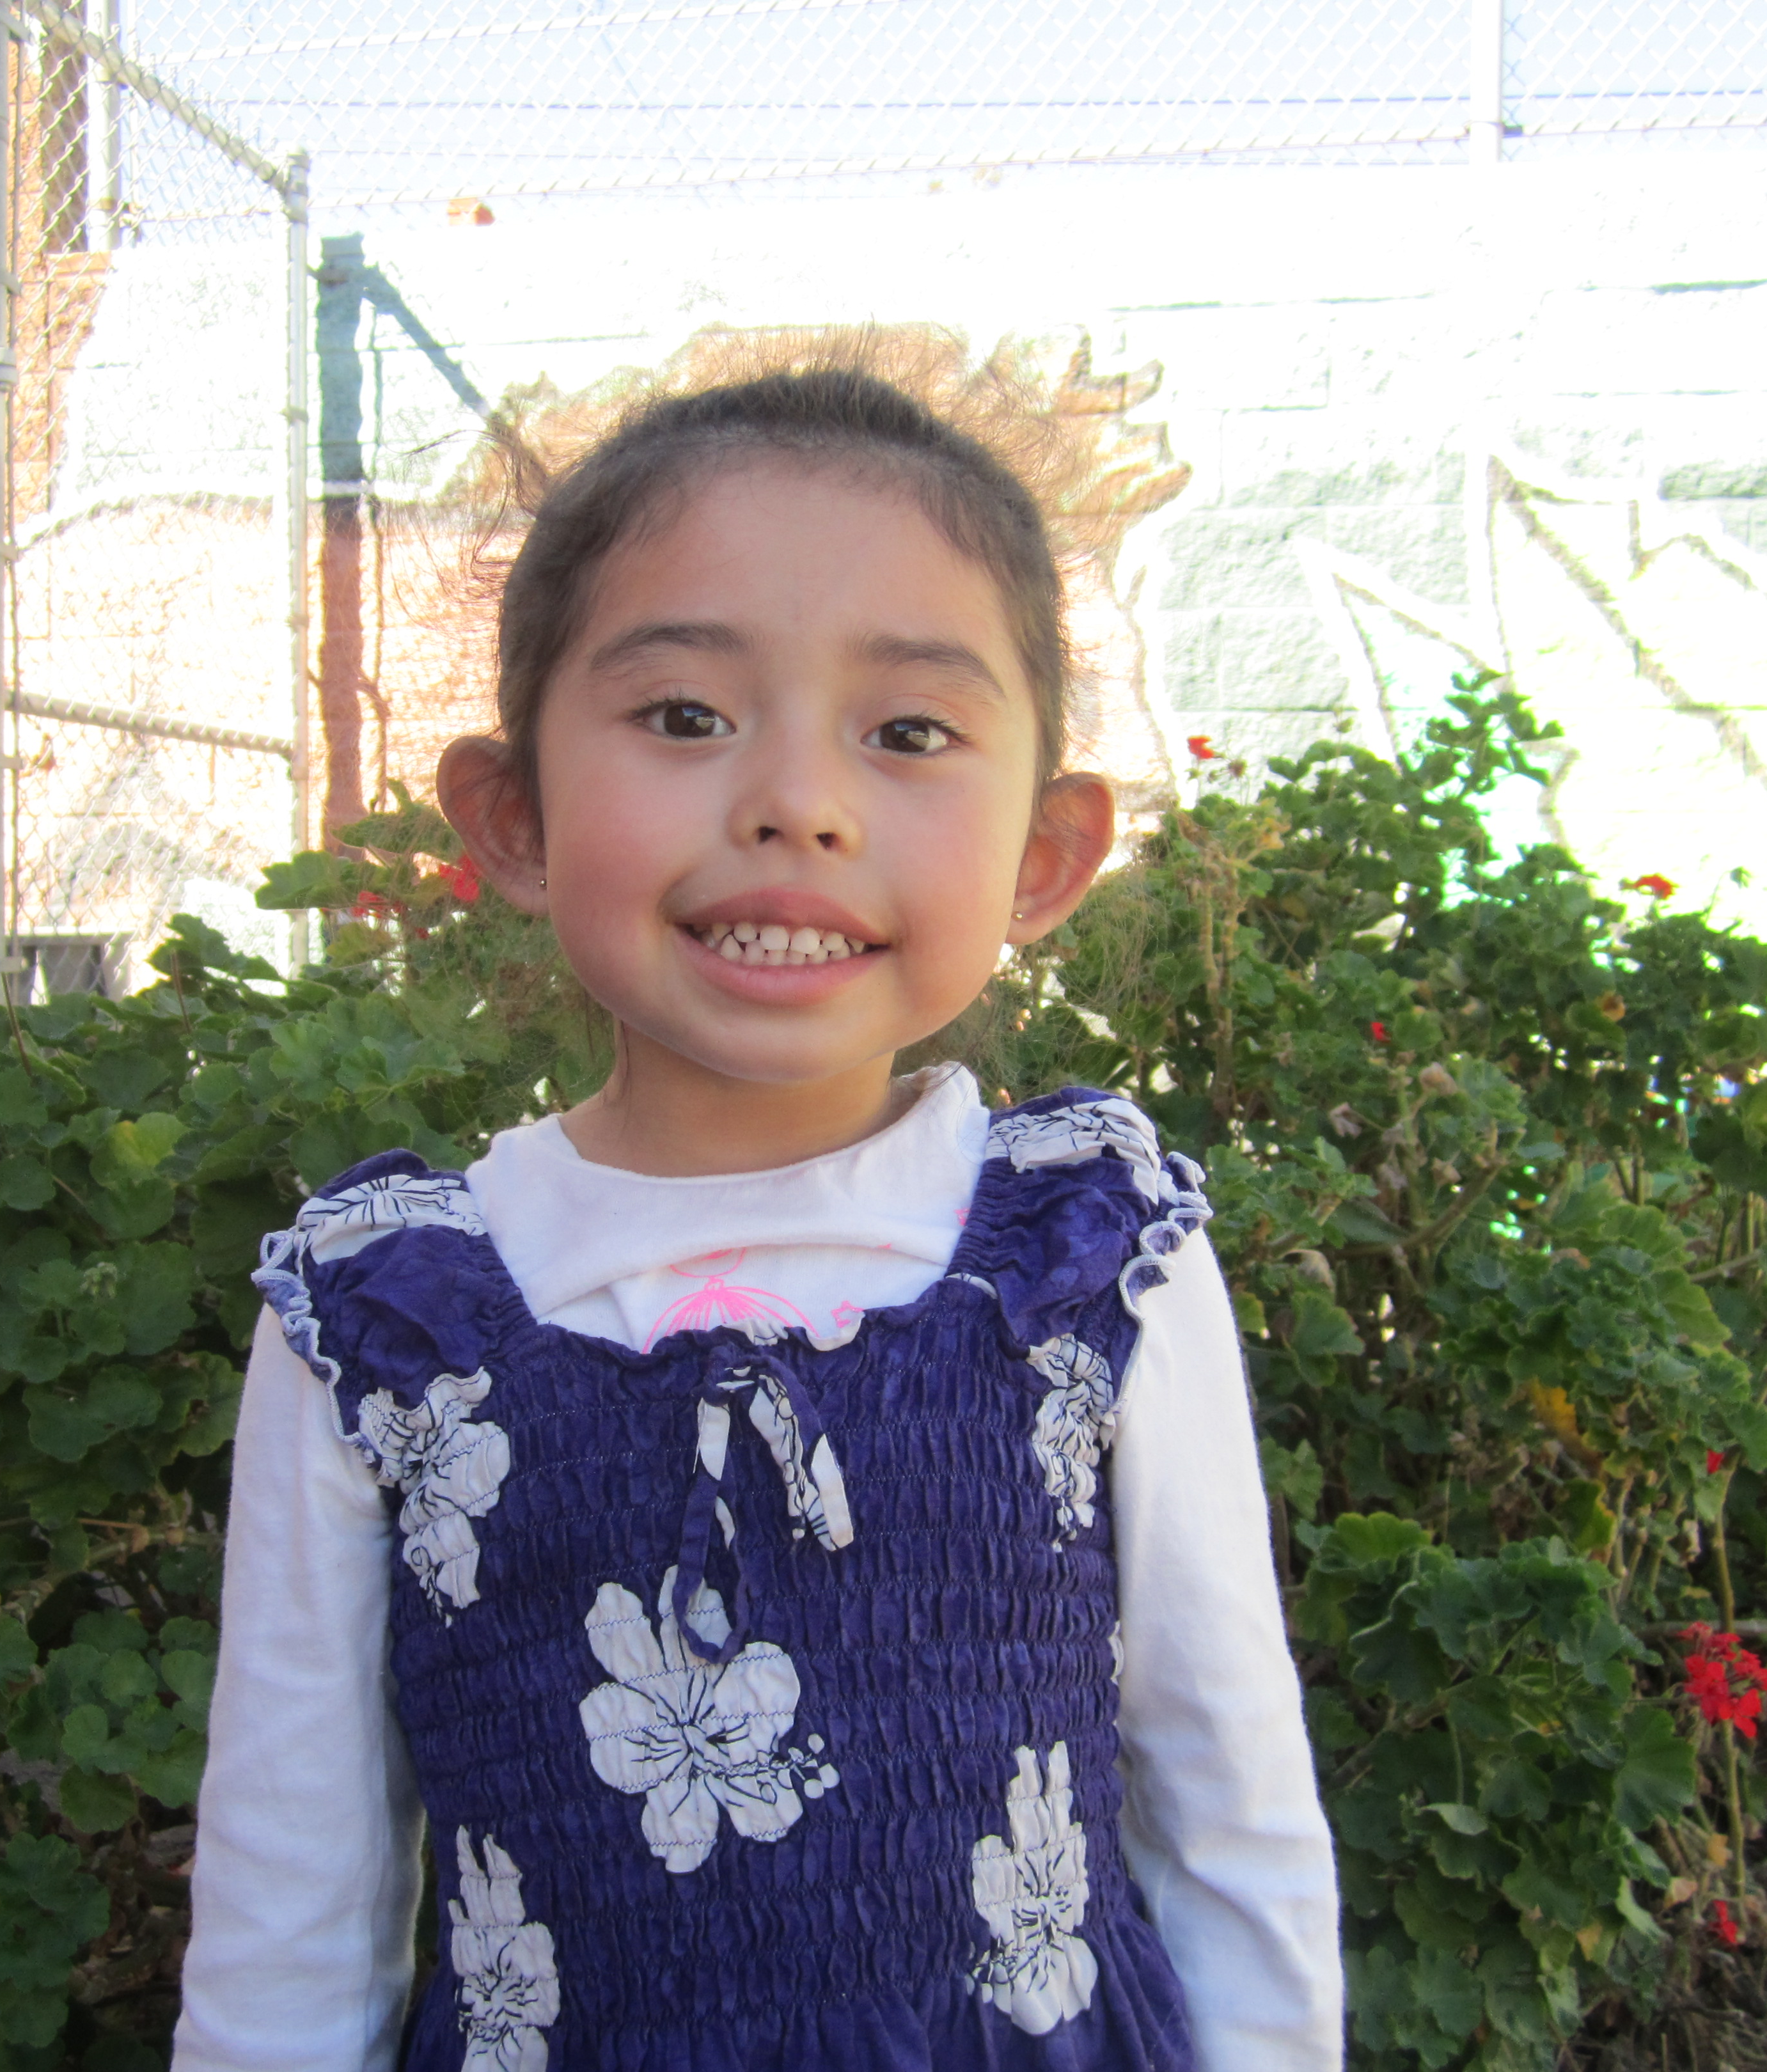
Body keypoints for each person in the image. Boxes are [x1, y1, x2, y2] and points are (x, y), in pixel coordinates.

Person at [173, 364, 1342, 2072]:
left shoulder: (1094, 1265)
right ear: (513, 815)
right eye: (684, 716)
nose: (799, 800)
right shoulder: (381, 1322)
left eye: (910, 732)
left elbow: (1234, 1822)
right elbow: (289, 1919)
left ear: (1046, 853)